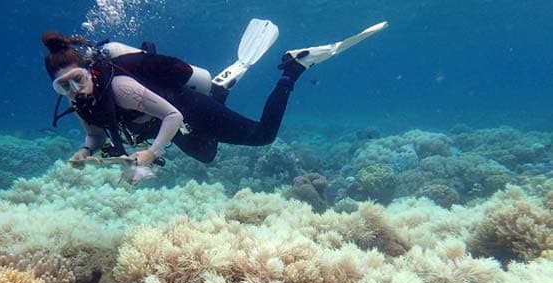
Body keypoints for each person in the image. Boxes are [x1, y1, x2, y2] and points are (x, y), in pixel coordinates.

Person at [42, 20, 388, 174]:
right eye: (63, 87)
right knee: (207, 155)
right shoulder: (78, 102)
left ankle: (294, 68)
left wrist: (151, 152)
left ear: (88, 69)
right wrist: (85, 150)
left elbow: (173, 117)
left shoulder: (121, 88)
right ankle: (220, 89)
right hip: (169, 124)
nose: (74, 90)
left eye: (76, 79)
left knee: (263, 137)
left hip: (184, 110)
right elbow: (94, 133)